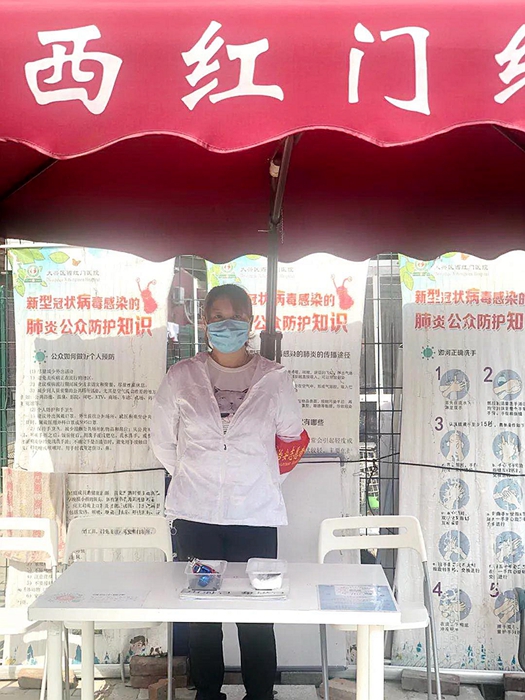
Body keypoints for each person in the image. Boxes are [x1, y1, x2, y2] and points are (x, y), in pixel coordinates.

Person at [150, 283, 304, 700]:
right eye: (217, 317)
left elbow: (292, 438)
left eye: (235, 316)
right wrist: (196, 475)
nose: (226, 324)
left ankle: (260, 694)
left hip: (255, 515)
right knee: (202, 614)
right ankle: (208, 693)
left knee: (257, 615)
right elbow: (162, 441)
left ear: (250, 322)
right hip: (196, 516)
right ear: (204, 322)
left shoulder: (274, 378)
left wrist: (261, 480)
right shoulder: (182, 376)